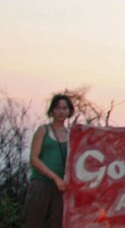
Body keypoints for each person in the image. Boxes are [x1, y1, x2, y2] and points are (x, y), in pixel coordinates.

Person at [23, 94, 73, 228]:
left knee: (57, 222)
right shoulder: (43, 130)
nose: (61, 112)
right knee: (34, 221)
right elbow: (34, 159)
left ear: (69, 111)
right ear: (52, 110)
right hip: (41, 182)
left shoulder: (72, 135)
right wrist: (54, 177)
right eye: (57, 108)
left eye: (64, 108)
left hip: (61, 188)